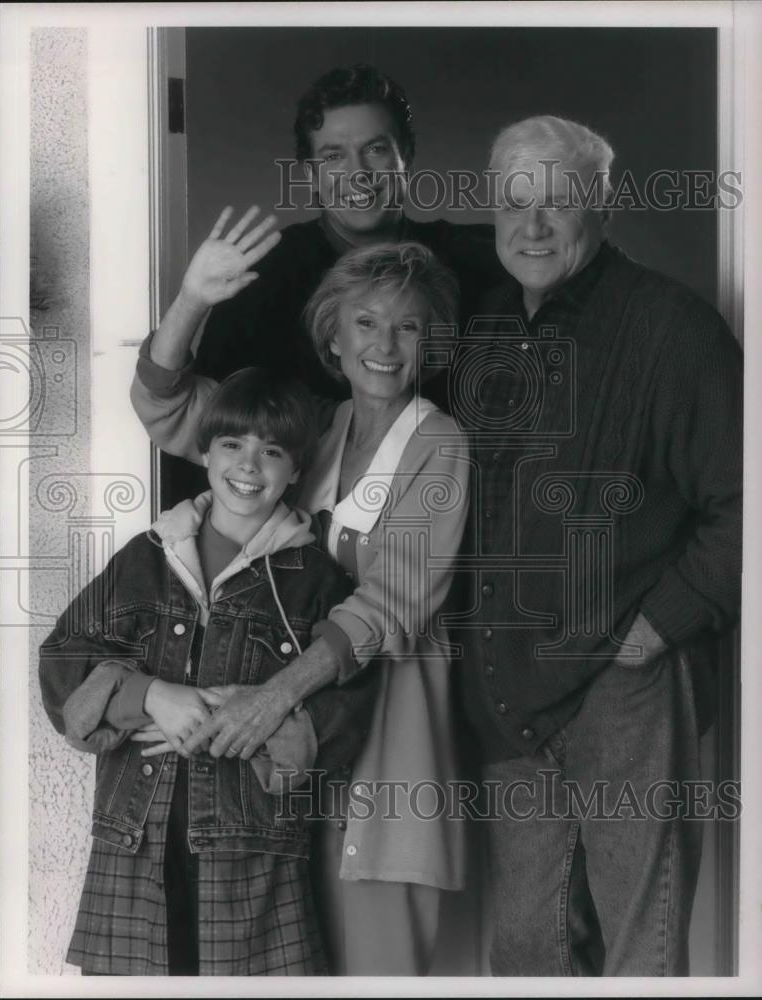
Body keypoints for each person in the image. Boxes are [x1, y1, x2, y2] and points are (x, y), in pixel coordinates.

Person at [130, 235, 473, 975]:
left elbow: (392, 599)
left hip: (387, 754)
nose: (384, 345)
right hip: (289, 759)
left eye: (407, 326)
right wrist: (191, 300)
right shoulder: (311, 429)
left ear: (430, 342)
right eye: (365, 323)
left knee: (379, 969)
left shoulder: (440, 446)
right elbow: (164, 410)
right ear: (331, 336)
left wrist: (268, 698)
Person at [455, 115, 743, 976]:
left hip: (627, 688)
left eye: (559, 201)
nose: (532, 225)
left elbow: (746, 501)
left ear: (603, 207)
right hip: (506, 692)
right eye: (514, 200)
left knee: (637, 949)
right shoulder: (484, 329)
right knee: (527, 950)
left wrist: (656, 627)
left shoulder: (671, 328)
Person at [38, 368, 378, 976]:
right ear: (204, 451)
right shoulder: (146, 558)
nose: (250, 465)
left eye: (272, 451)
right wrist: (149, 695)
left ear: (296, 470)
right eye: (232, 444)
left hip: (254, 855)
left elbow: (353, 707)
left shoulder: (315, 583)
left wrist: (258, 722)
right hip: (133, 843)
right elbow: (64, 659)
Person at [158, 63, 504, 506]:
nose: (358, 174)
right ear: (309, 174)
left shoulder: (473, 261)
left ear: (407, 155)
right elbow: (205, 428)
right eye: (333, 156)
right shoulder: (263, 276)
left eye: (376, 149)